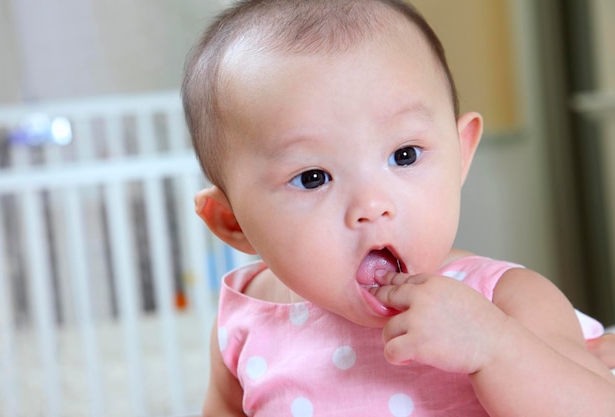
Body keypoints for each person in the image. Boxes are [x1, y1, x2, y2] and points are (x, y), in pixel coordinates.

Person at [181, 0, 615, 415]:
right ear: (232, 220)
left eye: (405, 154)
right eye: (313, 177)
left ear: (461, 154)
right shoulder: (246, 319)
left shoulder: (507, 300)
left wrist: (494, 346)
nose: (372, 206)